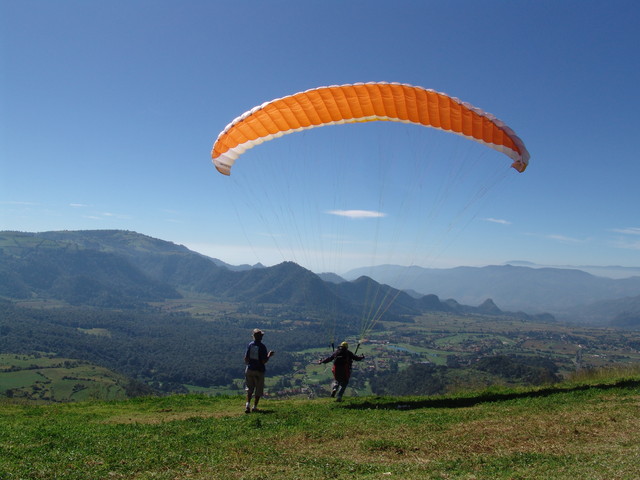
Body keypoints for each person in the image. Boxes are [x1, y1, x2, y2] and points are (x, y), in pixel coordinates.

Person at [244, 328, 274, 413]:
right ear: (261, 337)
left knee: (249, 389)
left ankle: (247, 405)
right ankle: (254, 407)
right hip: (259, 370)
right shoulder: (262, 346)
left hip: (249, 369)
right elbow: (264, 361)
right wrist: (269, 355)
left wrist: (250, 364)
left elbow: (246, 359)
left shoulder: (250, 345)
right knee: (258, 389)